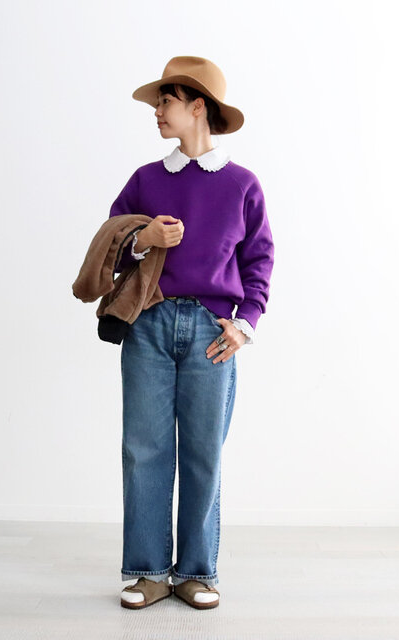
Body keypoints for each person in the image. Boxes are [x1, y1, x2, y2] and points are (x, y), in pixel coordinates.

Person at [108, 56, 275, 610]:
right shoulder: (146, 180)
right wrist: (145, 239)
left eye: (166, 100)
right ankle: (150, 572)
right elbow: (112, 244)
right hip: (149, 324)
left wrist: (246, 325)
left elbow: (259, 260)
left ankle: (197, 573)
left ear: (197, 107)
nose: (157, 111)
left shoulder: (242, 185)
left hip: (212, 332)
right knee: (144, 450)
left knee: (203, 453)